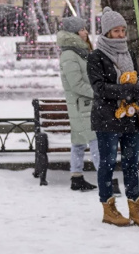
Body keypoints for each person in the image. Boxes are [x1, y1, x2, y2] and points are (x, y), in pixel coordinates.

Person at [87, 7, 139, 228]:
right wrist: (127, 90)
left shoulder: (129, 54)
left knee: (131, 164)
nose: (121, 34)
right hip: (106, 119)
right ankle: (109, 209)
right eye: (116, 30)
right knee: (106, 164)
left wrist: (137, 90)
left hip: (130, 118)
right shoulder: (96, 57)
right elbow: (99, 88)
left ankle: (136, 208)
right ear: (106, 33)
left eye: (122, 30)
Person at [57, 16, 100, 192]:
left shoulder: (79, 52)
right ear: (74, 33)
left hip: (82, 104)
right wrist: (98, 93)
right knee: (95, 141)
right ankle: (105, 178)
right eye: (82, 29)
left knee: (79, 141)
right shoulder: (69, 55)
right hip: (82, 103)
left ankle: (76, 177)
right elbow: (76, 84)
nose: (85, 32)